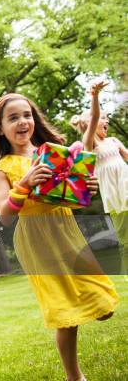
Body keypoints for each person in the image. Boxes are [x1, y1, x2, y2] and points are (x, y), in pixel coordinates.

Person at [0, 93, 119, 381]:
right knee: (66, 315)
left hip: (65, 231)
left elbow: (68, 199)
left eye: (27, 115)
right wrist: (23, 185)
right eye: (13, 118)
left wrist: (85, 188)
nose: (23, 122)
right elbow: (4, 216)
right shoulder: (3, 168)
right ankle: (75, 377)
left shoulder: (54, 152)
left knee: (104, 306)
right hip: (36, 240)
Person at [70, 80, 128, 275]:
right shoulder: (88, 144)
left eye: (107, 118)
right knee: (125, 238)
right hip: (115, 195)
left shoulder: (113, 140)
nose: (106, 121)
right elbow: (94, 115)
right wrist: (94, 95)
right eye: (103, 118)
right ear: (89, 124)